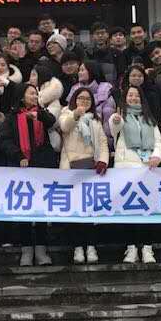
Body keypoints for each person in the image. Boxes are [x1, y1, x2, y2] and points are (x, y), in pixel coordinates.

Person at [0, 83, 59, 266]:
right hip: (21, 168)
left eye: (36, 94)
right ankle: (26, 249)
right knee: (24, 209)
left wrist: (38, 114)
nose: (35, 96)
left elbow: (52, 122)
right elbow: (6, 141)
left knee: (40, 209)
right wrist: (19, 156)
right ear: (22, 96)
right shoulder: (12, 117)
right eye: (31, 93)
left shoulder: (41, 113)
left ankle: (41, 250)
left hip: (42, 167)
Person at [109, 86, 161, 264]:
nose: (133, 98)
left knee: (147, 210)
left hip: (147, 170)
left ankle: (147, 248)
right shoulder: (121, 116)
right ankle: (131, 248)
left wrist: (157, 156)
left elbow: (158, 141)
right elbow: (114, 128)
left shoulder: (149, 119)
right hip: (126, 169)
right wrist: (116, 119)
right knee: (128, 210)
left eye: (137, 95)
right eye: (130, 95)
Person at [59, 87, 109, 264]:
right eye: (81, 98)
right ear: (75, 99)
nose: (84, 101)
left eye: (88, 99)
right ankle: (78, 247)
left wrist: (103, 160)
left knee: (90, 211)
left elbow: (102, 142)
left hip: (90, 168)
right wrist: (76, 114)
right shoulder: (66, 113)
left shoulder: (95, 119)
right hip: (72, 167)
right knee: (75, 210)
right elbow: (64, 127)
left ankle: (91, 246)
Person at [67, 60, 116, 148]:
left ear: (91, 71)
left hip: (100, 140)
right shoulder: (74, 89)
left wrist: (105, 143)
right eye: (79, 70)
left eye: (82, 70)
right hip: (76, 141)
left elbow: (107, 122)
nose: (79, 73)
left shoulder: (105, 90)